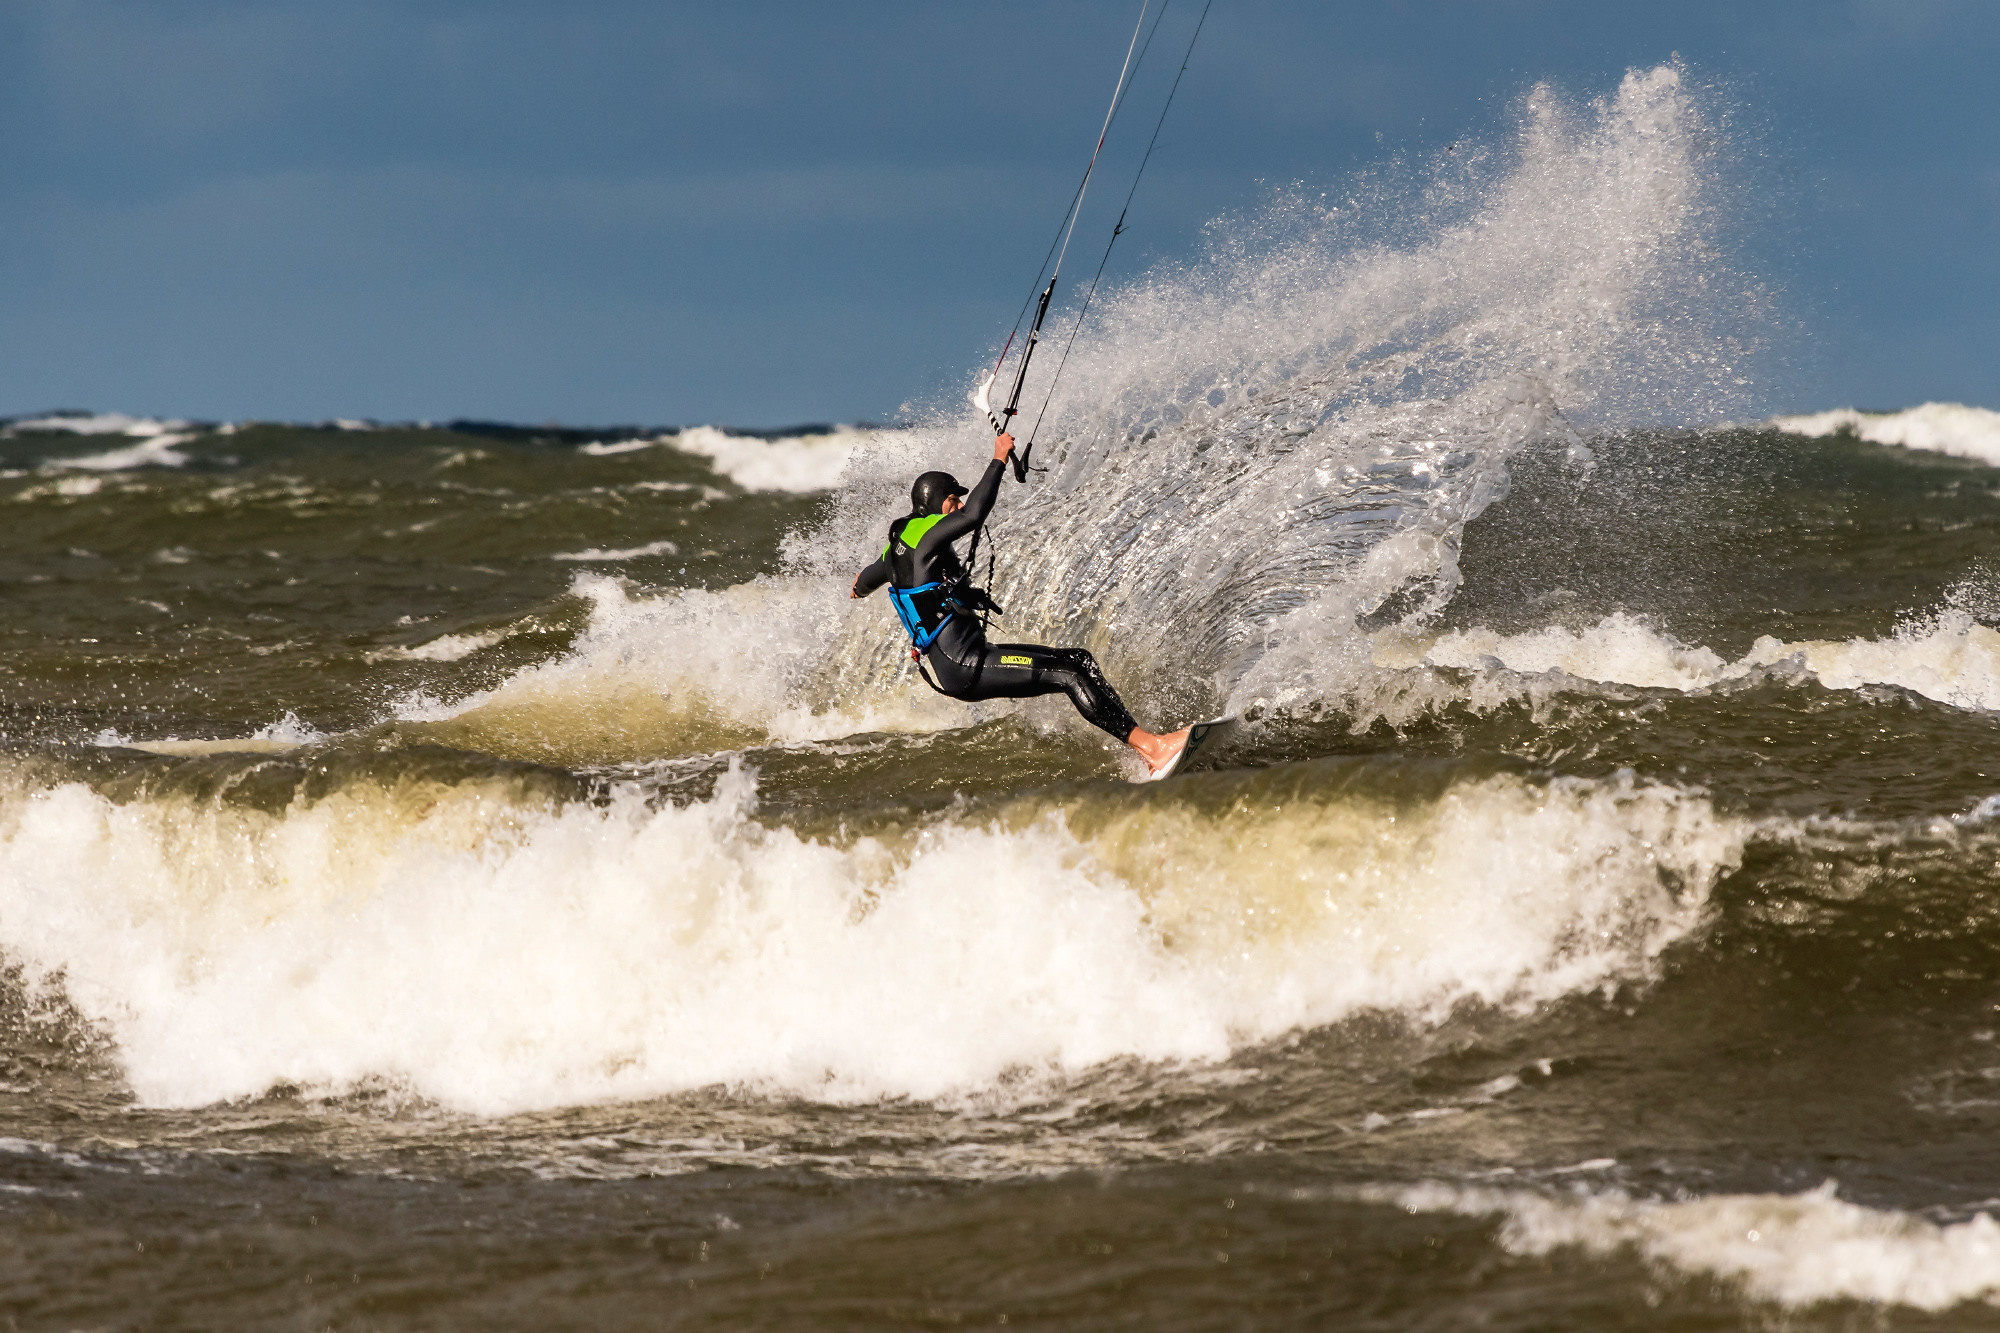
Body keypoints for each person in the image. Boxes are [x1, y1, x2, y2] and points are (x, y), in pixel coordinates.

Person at [851, 432, 1190, 775]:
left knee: (1078, 660)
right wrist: (999, 457)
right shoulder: (925, 530)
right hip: (965, 664)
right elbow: (972, 515)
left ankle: (1145, 750)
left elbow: (866, 579)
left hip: (965, 659)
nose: (955, 508)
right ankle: (1154, 749)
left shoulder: (895, 548)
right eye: (953, 500)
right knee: (1069, 675)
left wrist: (859, 590)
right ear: (941, 501)